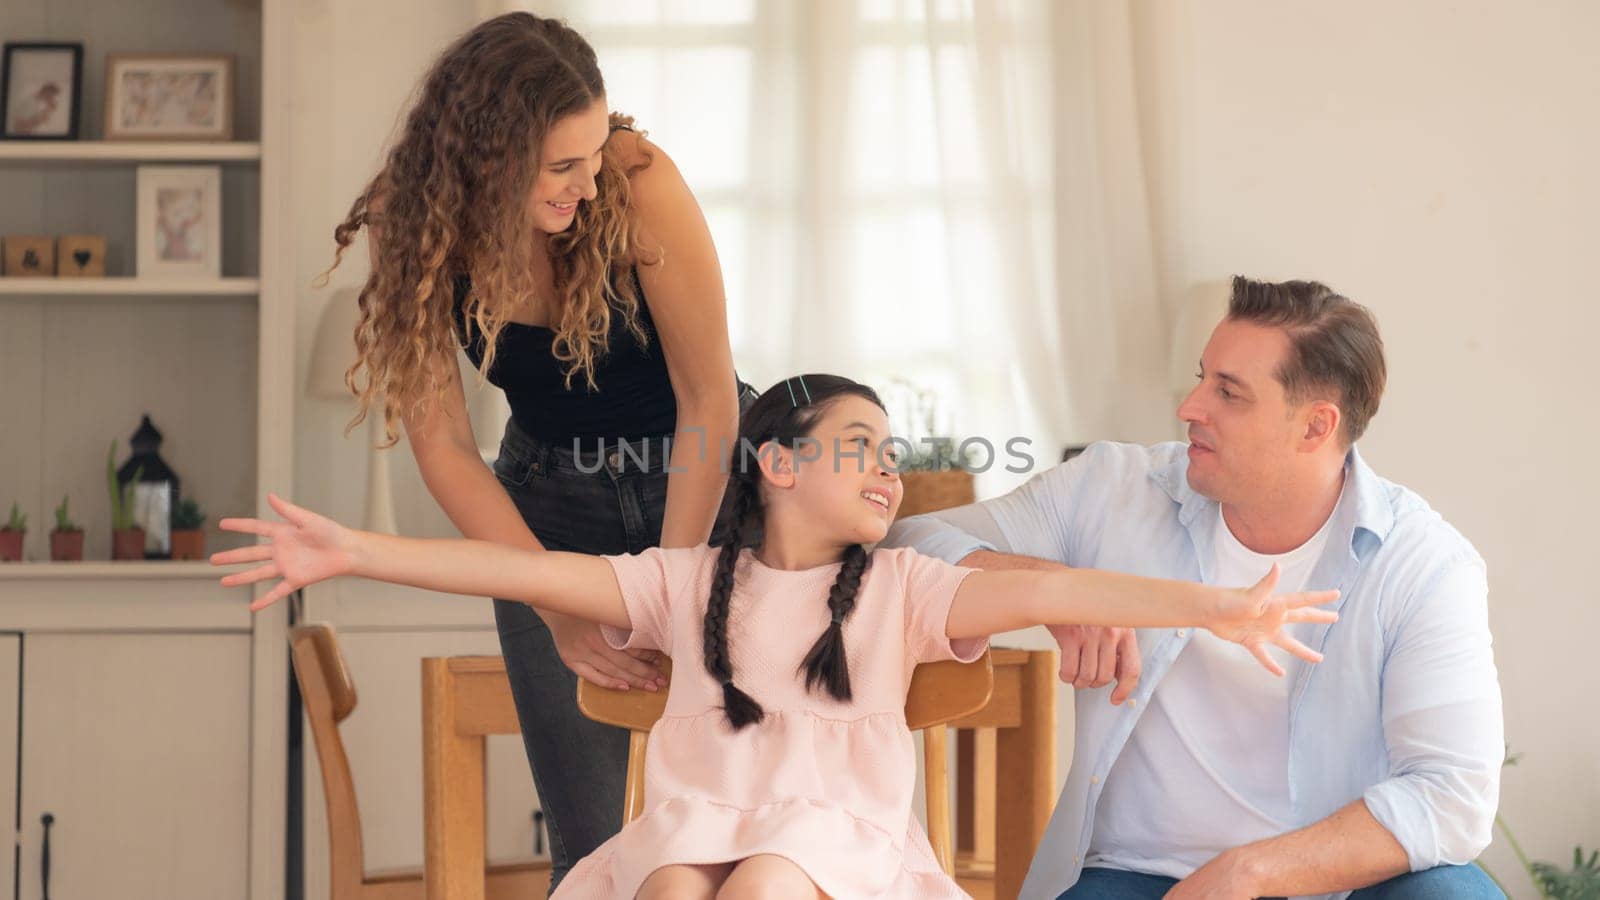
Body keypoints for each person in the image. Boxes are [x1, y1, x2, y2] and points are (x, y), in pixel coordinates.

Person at [214, 374, 1337, 900]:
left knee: (762, 884)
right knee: (666, 885)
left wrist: (1222, 609)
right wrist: (356, 549)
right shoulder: (686, 581)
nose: (887, 466)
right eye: (859, 444)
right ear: (777, 464)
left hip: (838, 853)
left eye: (892, 448)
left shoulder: (902, 589)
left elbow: (1082, 588)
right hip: (694, 834)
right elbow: (518, 569)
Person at [882, 277, 1504, 899]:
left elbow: (1453, 794)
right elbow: (908, 540)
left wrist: (1248, 872)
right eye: (1203, 376)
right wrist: (1062, 591)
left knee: (1453, 893)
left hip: (1333, 882)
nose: (1190, 407)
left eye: (1228, 393)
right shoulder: (1111, 488)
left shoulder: (1425, 566)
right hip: (1134, 875)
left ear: (1316, 427)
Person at [317, 12, 751, 890]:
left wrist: (666, 584)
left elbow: (710, 398)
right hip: (546, 509)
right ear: (489, 158)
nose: (587, 187)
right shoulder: (416, 224)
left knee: (736, 824)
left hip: (708, 490)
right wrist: (556, 604)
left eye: (592, 156)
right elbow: (442, 445)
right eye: (562, 167)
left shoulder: (638, 183)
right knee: (592, 848)